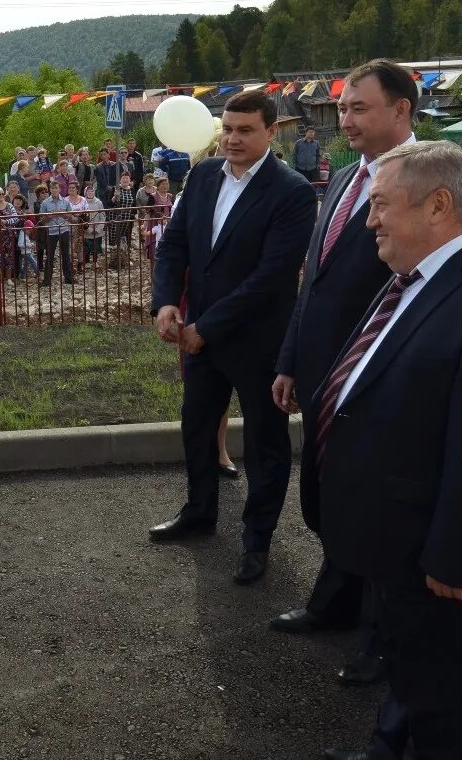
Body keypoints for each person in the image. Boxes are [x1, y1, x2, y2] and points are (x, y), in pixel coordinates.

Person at [314, 141, 462, 760]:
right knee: (408, 678)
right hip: (397, 542)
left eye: (381, 205)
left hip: (435, 562)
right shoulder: (413, 275)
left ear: (438, 205)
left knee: (439, 708)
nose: (369, 220)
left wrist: (451, 559)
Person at [268, 60, 418, 686]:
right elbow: (315, 281)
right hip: (324, 366)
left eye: (360, 108)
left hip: (380, 374)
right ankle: (336, 603)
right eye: (345, 107)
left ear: (402, 111)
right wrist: (290, 360)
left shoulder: (424, 184)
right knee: (332, 495)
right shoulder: (342, 180)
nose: (347, 119)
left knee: (378, 504)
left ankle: (385, 639)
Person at [149, 89, 316, 585]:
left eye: (245, 130)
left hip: (258, 342)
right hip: (198, 336)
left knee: (266, 446)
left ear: (271, 131)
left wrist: (207, 327)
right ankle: (200, 512)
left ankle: (257, 539)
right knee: (196, 429)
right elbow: (174, 245)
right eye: (228, 128)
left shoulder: (291, 191)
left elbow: (271, 277)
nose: (233, 138)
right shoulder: (201, 177)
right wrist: (165, 303)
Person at [36, 183, 74, 287]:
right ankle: (47, 281)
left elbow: (71, 217)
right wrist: (50, 216)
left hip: (64, 230)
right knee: (49, 256)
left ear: (59, 189)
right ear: (50, 190)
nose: (54, 190)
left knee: (66, 255)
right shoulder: (45, 203)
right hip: (51, 232)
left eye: (56, 188)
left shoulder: (66, 202)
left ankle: (69, 278)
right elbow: (41, 220)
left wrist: (63, 214)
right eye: (52, 188)